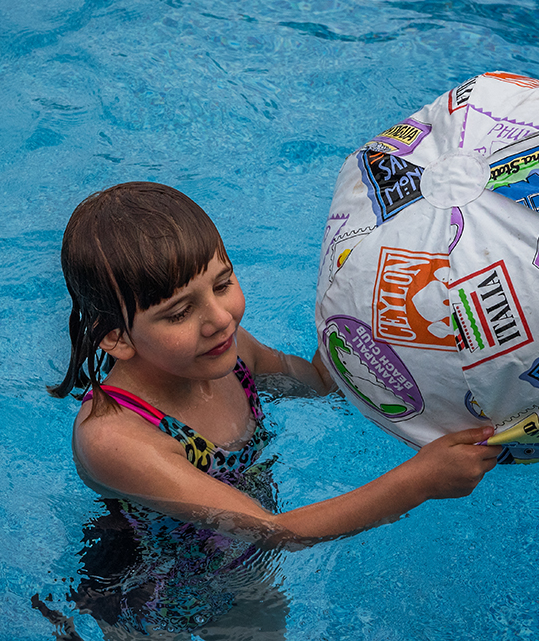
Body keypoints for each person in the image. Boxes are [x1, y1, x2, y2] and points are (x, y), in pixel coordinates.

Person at [49, 181, 499, 636]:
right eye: (180, 313)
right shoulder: (116, 437)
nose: (220, 318)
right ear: (116, 337)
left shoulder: (231, 352)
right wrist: (420, 479)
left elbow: (323, 381)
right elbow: (272, 530)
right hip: (144, 591)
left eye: (222, 284)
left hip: (238, 569)